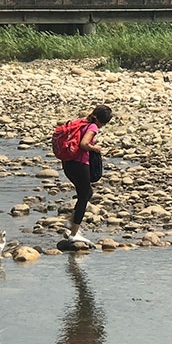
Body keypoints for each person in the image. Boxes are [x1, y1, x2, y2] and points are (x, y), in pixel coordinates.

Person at [62, 105, 111, 245]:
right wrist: (95, 148)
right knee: (84, 195)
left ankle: (71, 222)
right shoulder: (93, 127)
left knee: (86, 192)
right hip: (80, 164)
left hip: (68, 162)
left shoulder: (81, 122)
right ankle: (74, 234)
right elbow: (84, 144)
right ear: (102, 121)